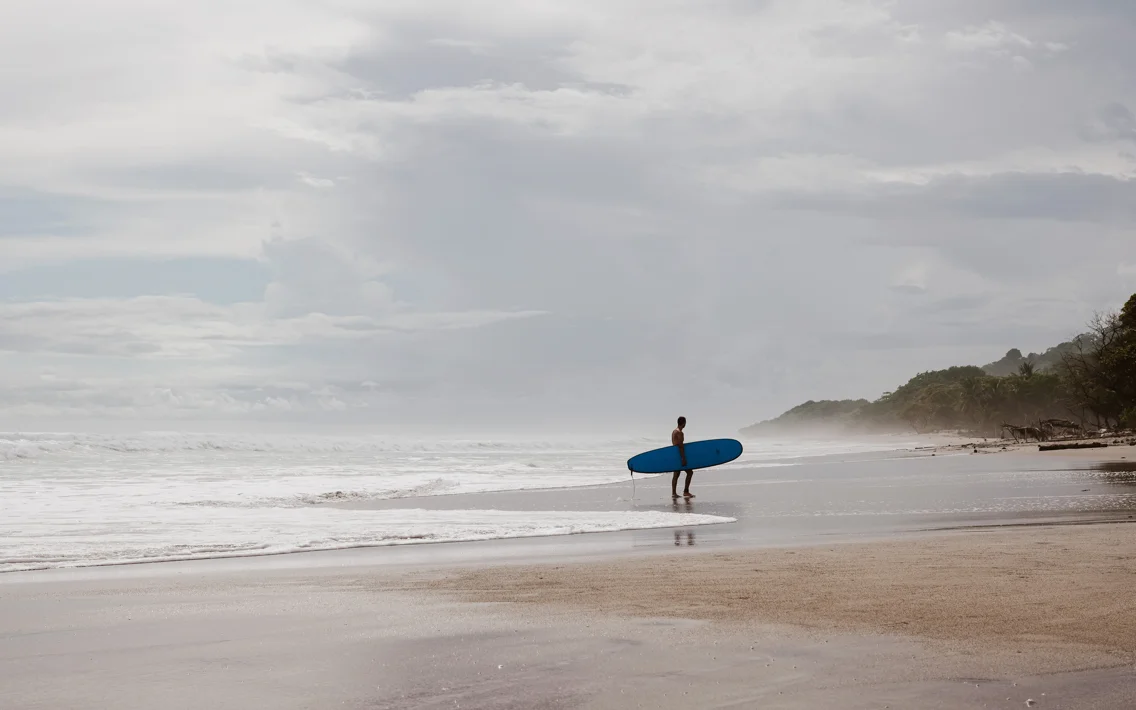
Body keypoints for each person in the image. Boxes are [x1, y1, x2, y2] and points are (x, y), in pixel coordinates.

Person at [671, 416, 694, 499]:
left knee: (676, 475)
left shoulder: (674, 431)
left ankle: (674, 493)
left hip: (675, 455)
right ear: (683, 423)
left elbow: (675, 445)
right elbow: (680, 446)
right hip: (679, 455)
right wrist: (683, 458)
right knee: (690, 472)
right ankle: (686, 491)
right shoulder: (680, 433)